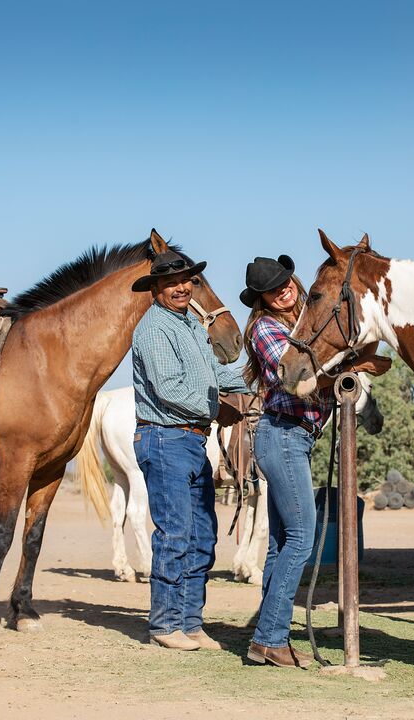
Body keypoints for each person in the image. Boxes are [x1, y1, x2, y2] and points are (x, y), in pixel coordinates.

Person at [239, 255, 387, 668]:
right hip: (283, 435)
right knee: (302, 538)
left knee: (281, 544)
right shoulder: (266, 330)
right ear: (261, 299)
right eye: (272, 289)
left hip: (293, 439)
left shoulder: (307, 320)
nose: (283, 289)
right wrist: (352, 367)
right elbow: (294, 380)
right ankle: (269, 638)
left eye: (285, 281)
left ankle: (270, 637)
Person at [131, 248, 248, 651]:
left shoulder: (192, 327)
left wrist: (259, 375)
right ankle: (165, 625)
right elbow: (169, 389)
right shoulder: (153, 329)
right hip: (165, 437)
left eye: (187, 281)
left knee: (202, 534)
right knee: (176, 532)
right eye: (171, 283)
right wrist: (218, 406)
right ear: (156, 289)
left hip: (191, 438)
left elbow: (216, 373)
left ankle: (190, 622)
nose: (181, 288)